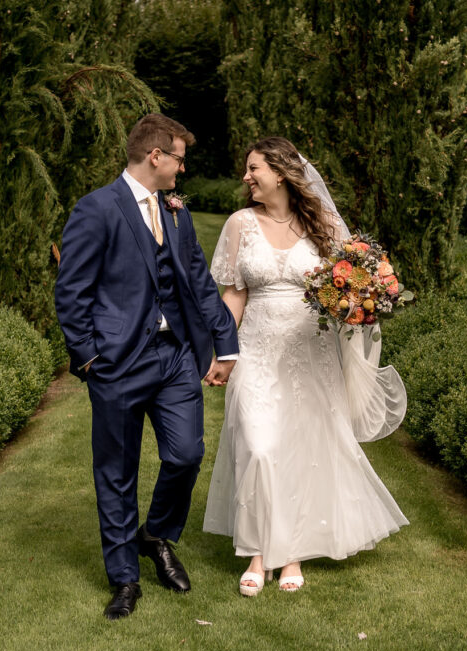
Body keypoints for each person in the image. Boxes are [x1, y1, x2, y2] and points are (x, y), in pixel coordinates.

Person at [202, 137, 408, 595]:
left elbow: (356, 282)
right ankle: (258, 549)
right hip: (255, 348)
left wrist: (361, 299)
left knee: (297, 449)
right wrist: (223, 352)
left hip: (309, 353)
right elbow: (234, 295)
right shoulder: (239, 224)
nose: (246, 177)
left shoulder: (325, 226)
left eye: (253, 168)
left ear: (280, 172)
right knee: (257, 445)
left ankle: (287, 554)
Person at [54, 114, 239, 620]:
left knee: (186, 454)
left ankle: (155, 535)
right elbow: (71, 292)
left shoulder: (175, 212)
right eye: (179, 158)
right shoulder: (96, 209)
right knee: (116, 472)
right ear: (156, 156)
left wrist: (226, 345)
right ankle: (124, 579)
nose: (183, 169)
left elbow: (198, 280)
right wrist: (91, 358)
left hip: (175, 355)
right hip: (118, 362)